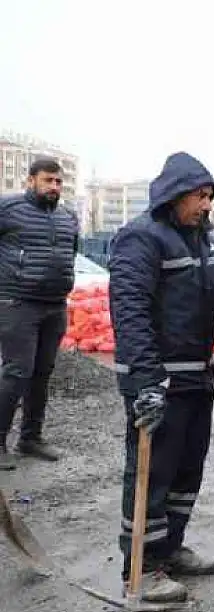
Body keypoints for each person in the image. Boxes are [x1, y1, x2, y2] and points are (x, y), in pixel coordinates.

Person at [109, 152, 214, 602]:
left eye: (210, 196)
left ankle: (169, 549)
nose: (207, 204)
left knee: (185, 473)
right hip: (160, 381)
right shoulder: (142, 238)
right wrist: (145, 382)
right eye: (199, 195)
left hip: (197, 378)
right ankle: (142, 568)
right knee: (152, 474)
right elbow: (130, 312)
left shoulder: (200, 241)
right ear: (174, 194)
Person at [0, 158, 79, 470]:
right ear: (30, 180)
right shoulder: (8, 209)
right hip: (17, 304)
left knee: (42, 372)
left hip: (55, 304)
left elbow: (69, 254)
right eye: (48, 180)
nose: (54, 187)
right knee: (16, 372)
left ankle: (30, 438)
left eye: (58, 182)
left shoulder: (67, 217)